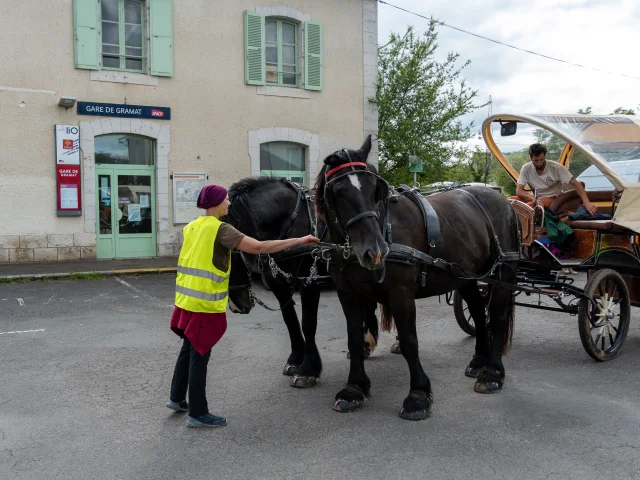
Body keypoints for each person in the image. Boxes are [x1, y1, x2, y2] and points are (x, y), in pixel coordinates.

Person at [166, 184, 319, 428]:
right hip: (205, 302)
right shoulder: (222, 230)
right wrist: (300, 240)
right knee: (199, 354)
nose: (228, 203)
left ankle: (176, 399)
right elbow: (259, 247)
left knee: (188, 348)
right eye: (225, 200)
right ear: (215, 203)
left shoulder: (192, 226)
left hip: (186, 300)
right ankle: (198, 413)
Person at [514, 143, 598, 215]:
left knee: (528, 207)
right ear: (531, 158)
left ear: (545, 156)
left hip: (552, 198)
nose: (539, 163)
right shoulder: (526, 168)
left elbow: (575, 183)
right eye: (536, 160)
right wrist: (533, 198)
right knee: (511, 202)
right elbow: (519, 191)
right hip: (536, 198)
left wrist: (586, 202)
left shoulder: (556, 167)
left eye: (541, 160)